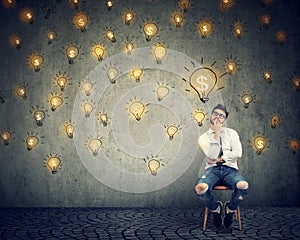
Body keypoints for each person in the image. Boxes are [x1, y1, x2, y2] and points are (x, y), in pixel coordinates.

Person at [195, 104, 249, 229]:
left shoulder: (232, 133)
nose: (218, 117)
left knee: (243, 186)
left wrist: (223, 158)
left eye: (221, 116)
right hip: (211, 170)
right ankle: (215, 209)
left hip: (230, 170)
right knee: (200, 188)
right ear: (211, 115)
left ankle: (230, 209)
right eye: (215, 114)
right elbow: (212, 156)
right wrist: (217, 134)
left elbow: (238, 152)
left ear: (225, 120)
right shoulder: (203, 138)